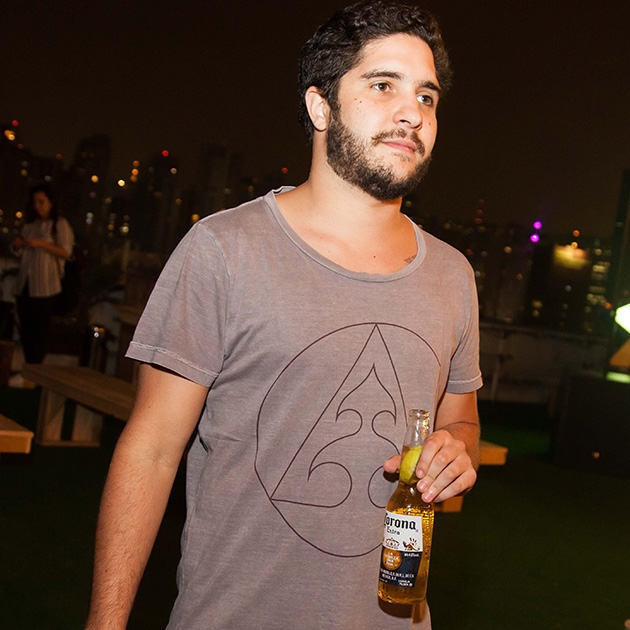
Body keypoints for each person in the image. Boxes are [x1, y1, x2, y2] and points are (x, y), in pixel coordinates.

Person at [85, 2, 482, 628]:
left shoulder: (453, 275)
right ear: (320, 107)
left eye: (426, 97)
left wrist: (457, 451)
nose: (413, 112)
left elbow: (462, 419)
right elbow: (151, 451)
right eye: (384, 85)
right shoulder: (224, 250)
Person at [11, 183, 74, 364]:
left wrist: (42, 244)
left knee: (39, 331)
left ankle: (35, 368)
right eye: (35, 202)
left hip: (46, 287)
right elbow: (18, 253)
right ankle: (28, 366)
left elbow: (66, 252)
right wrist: (18, 245)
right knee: (25, 329)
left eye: (41, 202)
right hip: (25, 285)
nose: (37, 206)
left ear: (50, 202)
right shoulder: (30, 225)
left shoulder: (59, 224)